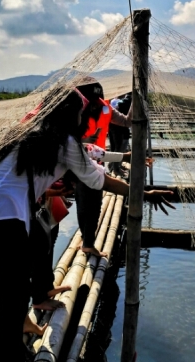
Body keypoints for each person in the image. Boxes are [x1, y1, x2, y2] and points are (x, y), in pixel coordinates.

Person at [0, 89, 173, 362]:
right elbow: (101, 180)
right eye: (79, 113)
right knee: (11, 303)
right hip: (4, 220)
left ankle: (15, 344)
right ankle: (5, 356)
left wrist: (126, 168)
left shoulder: (28, 132)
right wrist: (143, 193)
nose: (81, 118)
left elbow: (92, 160)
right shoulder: (64, 142)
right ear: (69, 115)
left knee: (12, 296)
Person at [75, 80, 133, 258]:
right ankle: (87, 243)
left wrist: (136, 101)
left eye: (97, 101)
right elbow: (68, 141)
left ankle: (87, 240)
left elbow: (127, 122)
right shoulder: (74, 113)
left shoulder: (106, 108)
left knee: (90, 201)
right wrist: (82, 142)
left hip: (95, 159)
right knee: (88, 201)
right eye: (91, 102)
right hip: (78, 162)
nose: (95, 106)